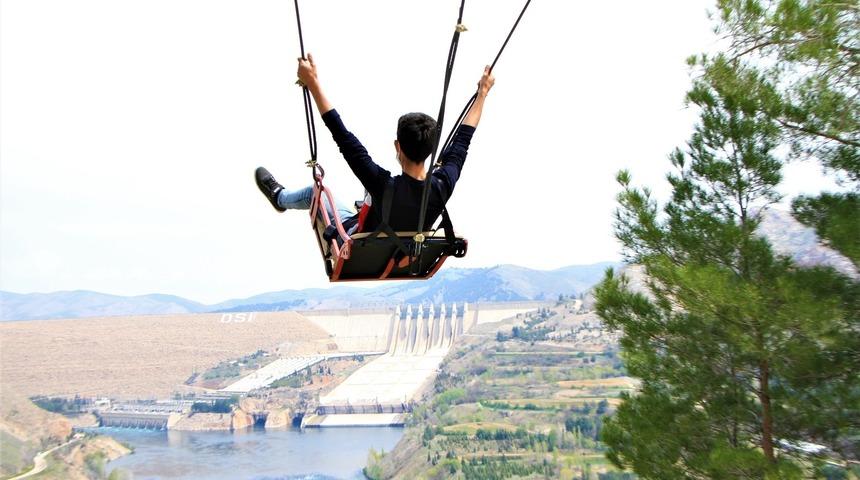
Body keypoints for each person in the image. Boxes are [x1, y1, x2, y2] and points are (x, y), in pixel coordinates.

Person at [255, 53, 495, 236]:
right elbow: (463, 138)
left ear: (397, 146)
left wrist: (313, 82)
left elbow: (343, 137)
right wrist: (483, 93)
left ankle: (279, 198)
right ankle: (284, 198)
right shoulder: (443, 184)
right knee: (366, 200)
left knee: (313, 193)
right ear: (431, 150)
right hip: (403, 253)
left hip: (359, 241)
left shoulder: (383, 185)